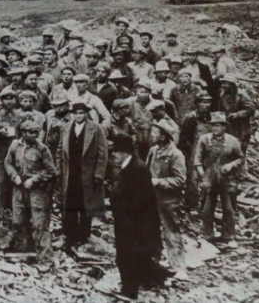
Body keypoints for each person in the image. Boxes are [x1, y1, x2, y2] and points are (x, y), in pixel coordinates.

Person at [109, 135, 172, 300]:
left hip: (134, 223)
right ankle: (159, 276)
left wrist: (128, 217)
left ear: (124, 152)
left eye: (115, 152)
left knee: (126, 256)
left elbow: (142, 200)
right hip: (128, 221)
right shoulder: (128, 166)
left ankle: (130, 292)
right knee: (135, 255)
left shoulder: (138, 168)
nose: (113, 155)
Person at [57, 100, 107, 251]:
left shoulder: (96, 129)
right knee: (70, 204)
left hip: (88, 174)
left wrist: (98, 173)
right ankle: (70, 236)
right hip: (70, 172)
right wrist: (59, 170)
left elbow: (103, 153)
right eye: (76, 114)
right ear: (72, 115)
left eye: (81, 113)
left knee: (86, 205)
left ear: (86, 114)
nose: (78, 116)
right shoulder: (66, 128)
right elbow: (60, 150)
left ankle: (84, 236)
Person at [5, 119, 56, 267]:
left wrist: (34, 179)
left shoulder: (42, 149)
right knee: (18, 221)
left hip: (37, 191)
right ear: (23, 132)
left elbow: (50, 170)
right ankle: (23, 253)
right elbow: (7, 163)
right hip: (19, 188)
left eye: (36, 132)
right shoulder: (15, 145)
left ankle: (45, 259)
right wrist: (14, 176)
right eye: (31, 132)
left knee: (40, 224)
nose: (35, 135)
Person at [146, 119, 188, 280]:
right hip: (152, 198)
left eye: (155, 133)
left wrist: (158, 182)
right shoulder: (153, 151)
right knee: (151, 231)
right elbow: (146, 170)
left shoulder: (176, 155)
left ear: (163, 136)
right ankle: (154, 262)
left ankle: (178, 266)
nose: (151, 135)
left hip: (169, 200)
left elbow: (180, 180)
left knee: (171, 231)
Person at [194, 112, 243, 243]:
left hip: (228, 179)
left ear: (224, 127)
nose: (215, 128)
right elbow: (197, 160)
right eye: (213, 125)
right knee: (207, 208)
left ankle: (229, 235)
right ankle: (207, 234)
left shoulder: (232, 141)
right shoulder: (204, 140)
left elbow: (240, 158)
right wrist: (203, 176)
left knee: (229, 208)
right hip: (209, 178)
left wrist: (231, 165)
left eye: (219, 125)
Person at [0, 87, 25, 213]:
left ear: (16, 100)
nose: (9, 102)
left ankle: (11, 208)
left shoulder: (21, 115)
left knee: (14, 181)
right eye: (6, 99)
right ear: (2, 101)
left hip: (16, 154)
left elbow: (24, 133)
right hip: (0, 153)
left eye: (12, 99)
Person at [178, 92, 215, 211]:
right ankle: (191, 204)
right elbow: (183, 137)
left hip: (209, 150)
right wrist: (189, 152)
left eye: (209, 102)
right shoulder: (191, 117)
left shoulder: (212, 117)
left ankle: (206, 206)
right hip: (194, 150)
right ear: (198, 103)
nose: (207, 105)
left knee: (208, 177)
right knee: (193, 179)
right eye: (204, 102)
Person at [102, 99, 137, 184]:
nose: (128, 111)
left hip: (128, 153)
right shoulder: (107, 124)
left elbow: (134, 133)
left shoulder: (127, 121)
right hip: (113, 156)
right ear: (117, 110)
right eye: (125, 108)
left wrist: (133, 138)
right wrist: (117, 145)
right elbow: (103, 141)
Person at [218, 74, 254, 152]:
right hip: (227, 126)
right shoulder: (223, 94)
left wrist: (237, 114)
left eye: (225, 83)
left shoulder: (242, 96)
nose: (223, 85)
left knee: (238, 150)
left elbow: (251, 109)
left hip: (240, 128)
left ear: (231, 85)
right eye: (223, 83)